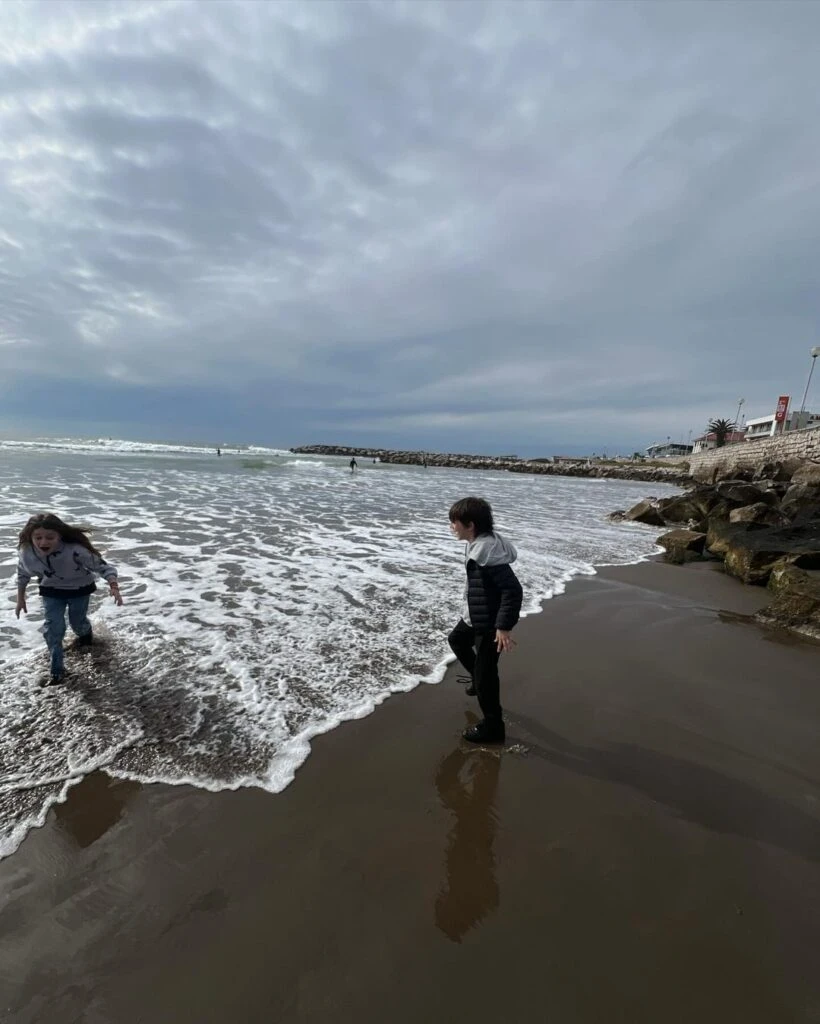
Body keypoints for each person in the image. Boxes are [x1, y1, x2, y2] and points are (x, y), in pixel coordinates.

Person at [15, 513, 123, 684]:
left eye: (50, 537)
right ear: (31, 536)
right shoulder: (27, 553)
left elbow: (103, 567)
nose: (43, 542)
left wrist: (114, 586)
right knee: (54, 629)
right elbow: (22, 574)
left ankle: (86, 639)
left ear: (60, 536)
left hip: (79, 590)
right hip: (51, 591)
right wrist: (20, 598)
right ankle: (57, 672)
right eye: (38, 537)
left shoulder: (75, 550)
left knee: (77, 623)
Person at [448, 497, 522, 744]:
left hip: (490, 624)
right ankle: (477, 679)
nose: (451, 527)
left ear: (470, 525)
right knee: (457, 640)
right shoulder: (477, 543)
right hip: (476, 616)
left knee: (486, 676)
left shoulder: (487, 553)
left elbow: (512, 590)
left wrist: (503, 627)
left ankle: (493, 728)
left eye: (454, 522)